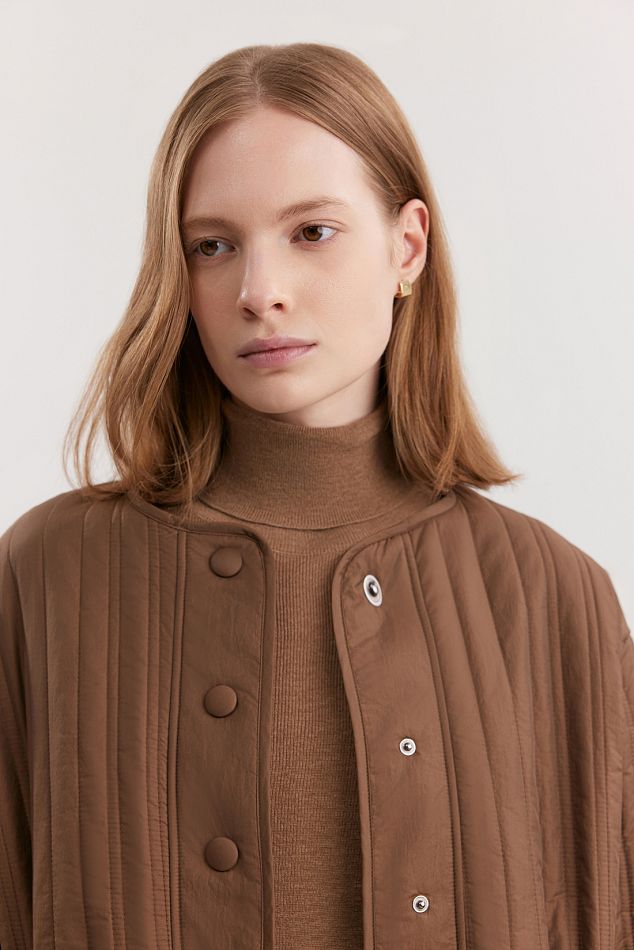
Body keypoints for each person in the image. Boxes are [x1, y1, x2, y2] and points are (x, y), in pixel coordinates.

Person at [0, 41, 631, 950]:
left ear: (407, 247)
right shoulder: (49, 575)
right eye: (213, 246)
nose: (260, 292)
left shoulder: (555, 598)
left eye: (311, 233)